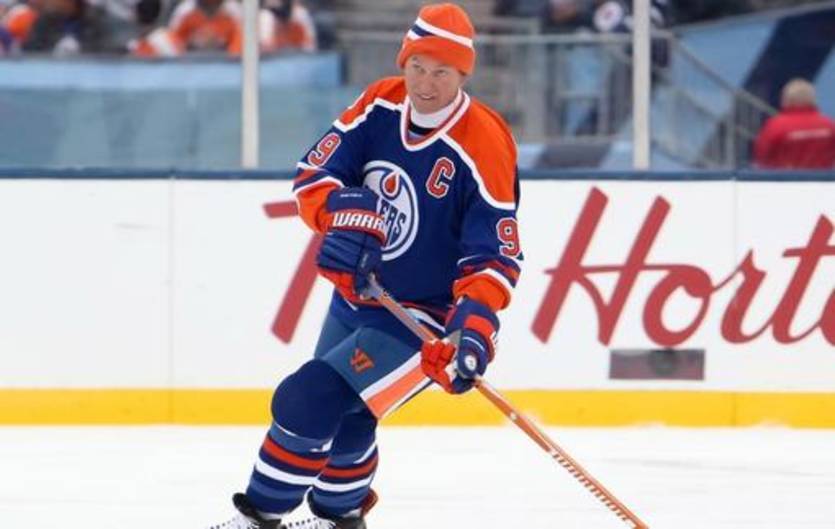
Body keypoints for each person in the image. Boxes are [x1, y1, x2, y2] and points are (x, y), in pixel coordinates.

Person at [207, 3, 523, 529]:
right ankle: (341, 519)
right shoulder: (380, 102)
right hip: (359, 294)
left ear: (463, 75)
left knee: (308, 399)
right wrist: (342, 214)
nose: (425, 84)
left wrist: (472, 325)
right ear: (404, 62)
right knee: (348, 418)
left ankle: (260, 517)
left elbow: (494, 251)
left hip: (423, 319)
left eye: (441, 72)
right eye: (417, 67)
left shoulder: (485, 142)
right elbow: (315, 172)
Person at [754, 78, 835, 169]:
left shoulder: (775, 126)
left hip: (784, 176)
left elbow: (762, 155)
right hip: (822, 176)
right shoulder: (828, 125)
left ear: (786, 99)